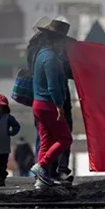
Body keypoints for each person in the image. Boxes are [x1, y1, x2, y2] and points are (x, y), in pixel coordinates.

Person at [30, 19, 73, 188]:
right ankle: (41, 166)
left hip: (38, 104)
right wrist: (59, 105)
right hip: (49, 105)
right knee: (65, 138)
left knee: (46, 141)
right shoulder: (51, 58)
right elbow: (53, 86)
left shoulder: (40, 54)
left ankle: (41, 181)